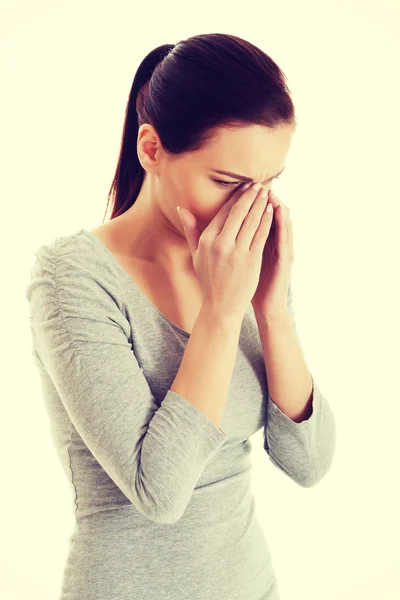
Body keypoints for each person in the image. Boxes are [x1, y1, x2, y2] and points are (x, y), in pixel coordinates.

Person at [25, 33, 336, 600]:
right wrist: (220, 311)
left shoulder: (244, 264)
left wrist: (270, 309)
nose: (249, 208)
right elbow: (158, 491)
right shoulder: (71, 279)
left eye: (267, 185)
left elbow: (308, 463)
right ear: (151, 149)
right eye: (227, 183)